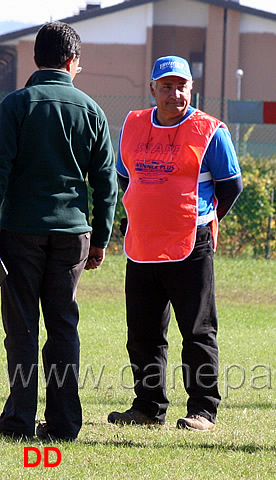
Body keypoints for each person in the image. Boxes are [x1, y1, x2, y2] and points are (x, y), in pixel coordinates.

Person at [107, 56, 242, 431]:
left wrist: (206, 220)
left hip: (190, 243)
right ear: (152, 89)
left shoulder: (210, 130)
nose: (174, 93)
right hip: (142, 243)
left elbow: (231, 187)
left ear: (191, 88)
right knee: (143, 333)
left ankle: (203, 410)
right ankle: (148, 408)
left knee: (197, 331)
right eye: (166, 86)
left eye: (181, 85)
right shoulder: (133, 125)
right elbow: (125, 177)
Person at [0, 22, 117, 441]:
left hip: (19, 231)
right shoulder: (91, 110)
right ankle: (65, 424)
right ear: (73, 61)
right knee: (63, 324)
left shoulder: (14, 106)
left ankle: (18, 420)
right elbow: (106, 182)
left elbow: (0, 174)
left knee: (22, 326)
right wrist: (101, 238)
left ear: (35, 59)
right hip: (73, 235)